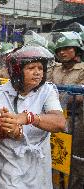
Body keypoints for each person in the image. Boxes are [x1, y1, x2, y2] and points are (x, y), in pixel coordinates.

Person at [0, 46, 66, 188]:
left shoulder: (47, 90)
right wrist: (6, 129)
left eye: (40, 68)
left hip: (37, 166)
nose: (37, 73)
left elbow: (59, 122)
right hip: (7, 164)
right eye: (31, 68)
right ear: (17, 71)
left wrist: (28, 118)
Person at [47, 36, 84, 188]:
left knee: (74, 158)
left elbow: (79, 97)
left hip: (77, 121)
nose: (62, 52)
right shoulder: (54, 69)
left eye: (67, 48)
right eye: (60, 49)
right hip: (55, 118)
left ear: (76, 50)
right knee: (55, 154)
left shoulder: (82, 70)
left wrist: (53, 97)